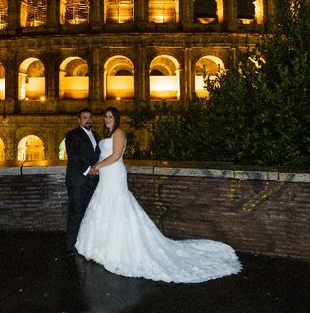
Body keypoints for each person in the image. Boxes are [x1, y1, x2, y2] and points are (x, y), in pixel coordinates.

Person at [75, 106, 241, 283]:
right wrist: (97, 168)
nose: (107, 119)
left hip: (115, 175)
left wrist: (98, 166)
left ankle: (118, 249)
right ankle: (100, 247)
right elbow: (105, 155)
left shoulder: (120, 133)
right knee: (104, 206)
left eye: (110, 117)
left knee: (118, 206)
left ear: (116, 119)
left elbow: (116, 156)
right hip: (105, 176)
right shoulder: (107, 136)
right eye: (105, 117)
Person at [64, 107, 100, 256]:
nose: (88, 120)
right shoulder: (72, 135)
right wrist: (88, 169)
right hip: (78, 181)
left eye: (90, 117)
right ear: (79, 120)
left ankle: (83, 243)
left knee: (88, 212)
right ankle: (70, 247)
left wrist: (98, 168)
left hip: (93, 181)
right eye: (85, 117)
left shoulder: (97, 135)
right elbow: (73, 157)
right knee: (76, 212)